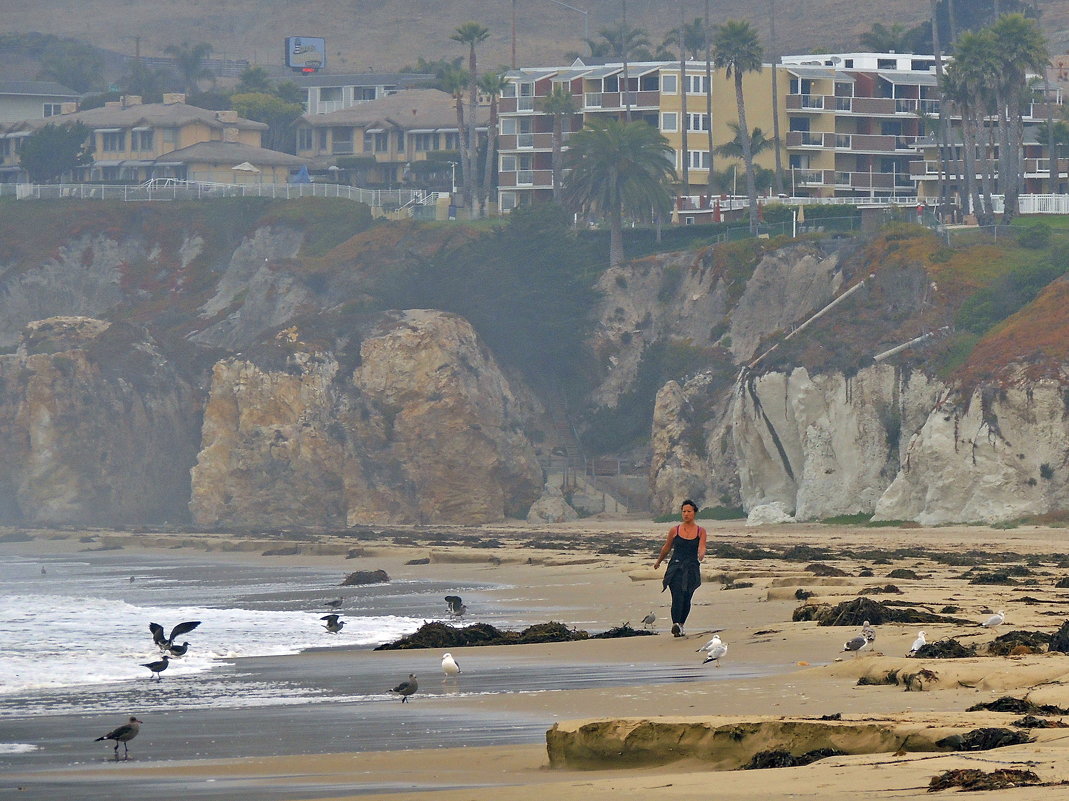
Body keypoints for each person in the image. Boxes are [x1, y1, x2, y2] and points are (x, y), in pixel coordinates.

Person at [653, 499, 707, 637]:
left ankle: (681, 625)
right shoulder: (674, 530)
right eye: (684, 511)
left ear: (694, 513)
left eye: (689, 511)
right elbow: (666, 547)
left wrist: (701, 554)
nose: (686, 514)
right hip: (676, 567)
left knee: (687, 597)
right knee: (677, 596)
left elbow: (702, 546)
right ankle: (675, 624)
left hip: (691, 568)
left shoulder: (700, 531)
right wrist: (659, 561)